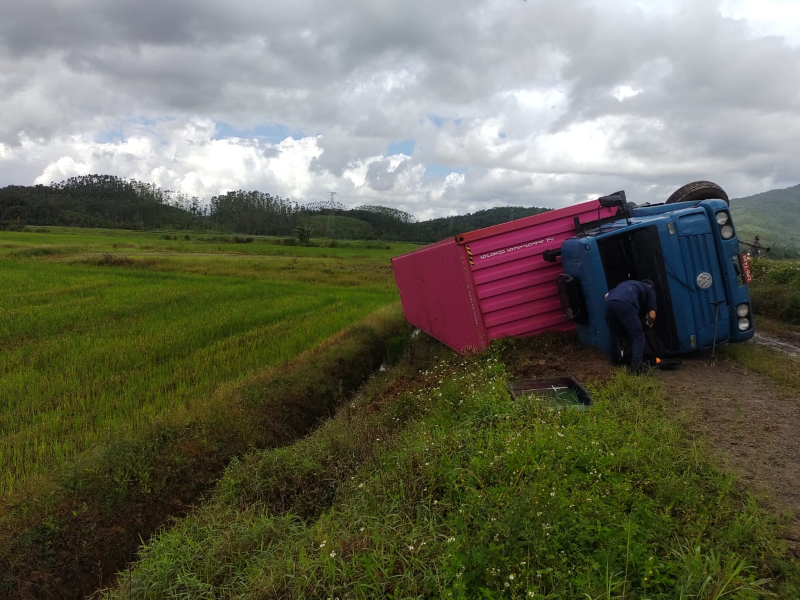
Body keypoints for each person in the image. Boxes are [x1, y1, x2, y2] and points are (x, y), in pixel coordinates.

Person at [605, 279, 657, 374]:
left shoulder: (626, 283)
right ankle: (636, 368)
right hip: (625, 305)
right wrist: (649, 323)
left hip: (609, 303)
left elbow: (606, 295)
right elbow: (652, 315)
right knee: (638, 336)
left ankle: (614, 360)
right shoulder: (649, 290)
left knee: (613, 332)